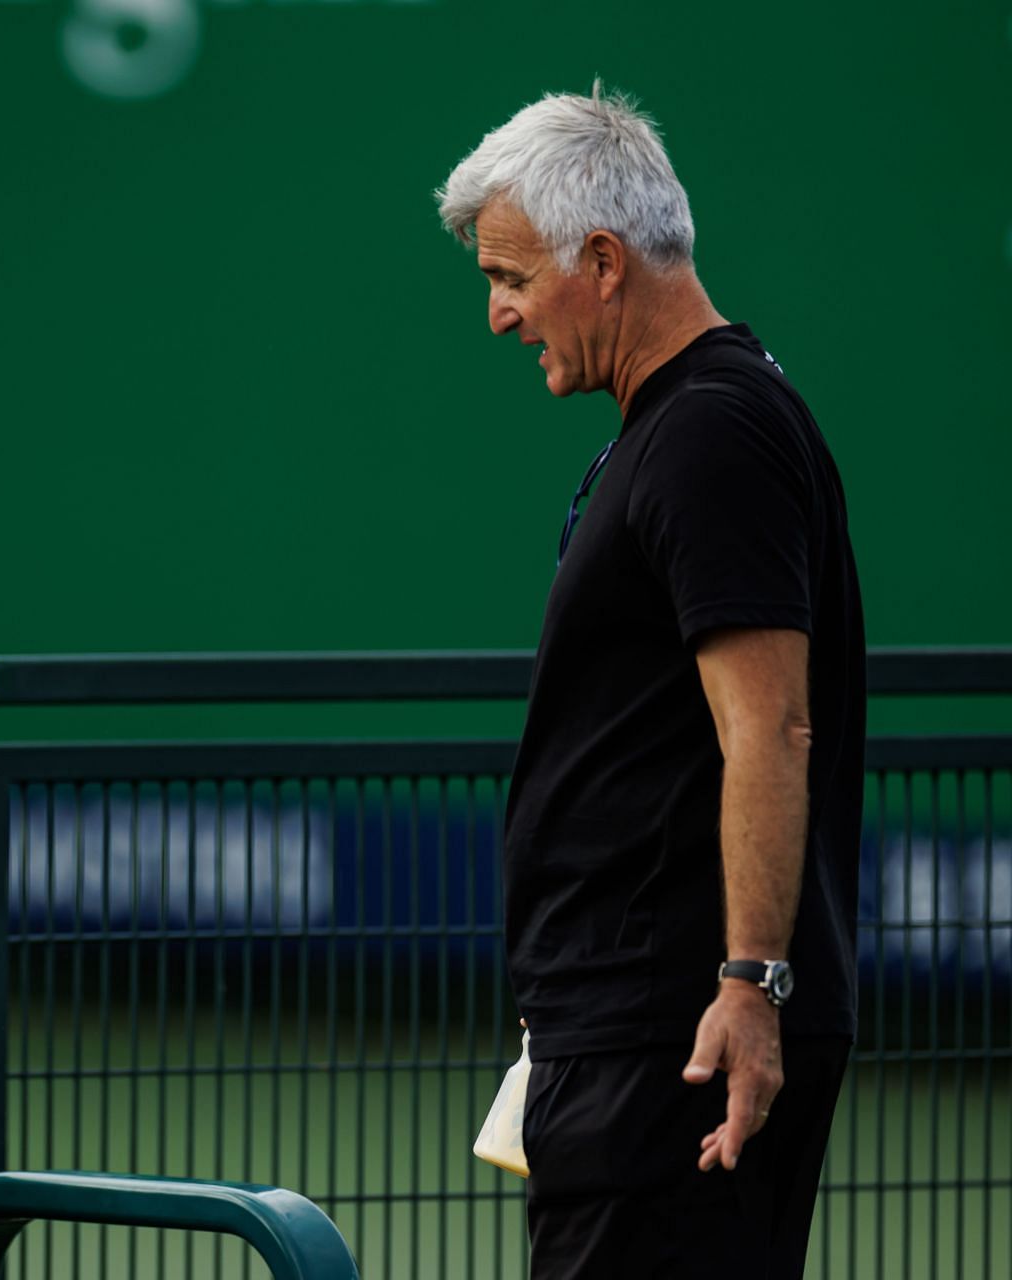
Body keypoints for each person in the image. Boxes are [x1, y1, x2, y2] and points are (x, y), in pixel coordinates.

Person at [435, 86, 865, 1277]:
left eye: (512, 276)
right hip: (638, 1034)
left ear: (605, 261)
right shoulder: (688, 423)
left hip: (676, 1043)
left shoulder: (712, 432)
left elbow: (770, 727)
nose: (497, 314)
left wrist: (749, 985)